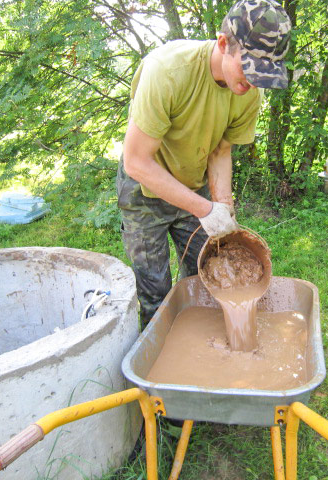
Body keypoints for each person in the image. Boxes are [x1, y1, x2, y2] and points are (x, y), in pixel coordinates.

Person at [117, 0, 291, 325]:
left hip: (192, 188)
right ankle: (163, 367)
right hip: (144, 191)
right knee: (155, 291)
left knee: (208, 275)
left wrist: (223, 208)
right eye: (249, 68)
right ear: (223, 44)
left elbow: (221, 151)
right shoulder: (168, 72)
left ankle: (207, 353)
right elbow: (136, 162)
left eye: (263, 73)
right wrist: (205, 209)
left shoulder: (248, 93)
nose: (253, 82)